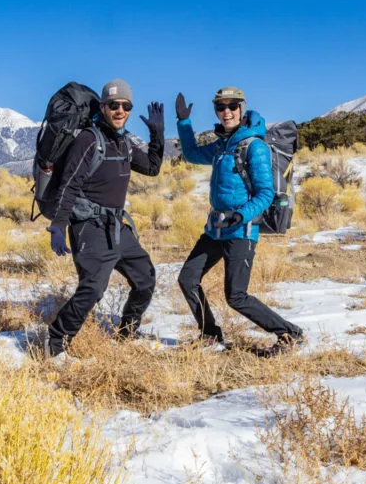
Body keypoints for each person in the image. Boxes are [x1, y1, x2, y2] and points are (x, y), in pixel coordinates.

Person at [175, 86, 304, 356]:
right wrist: (184, 123)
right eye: (220, 107)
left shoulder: (254, 147)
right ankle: (210, 335)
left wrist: (241, 214)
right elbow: (190, 154)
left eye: (232, 106)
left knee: (236, 296)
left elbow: (265, 193)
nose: (226, 112)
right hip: (215, 229)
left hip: (241, 231)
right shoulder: (222, 146)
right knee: (188, 279)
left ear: (242, 109)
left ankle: (290, 333)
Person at [45, 79, 165, 360]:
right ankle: (56, 343)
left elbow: (153, 168)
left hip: (116, 226)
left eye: (126, 106)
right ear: (103, 106)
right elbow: (69, 184)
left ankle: (126, 334)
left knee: (145, 278)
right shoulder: (89, 140)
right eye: (114, 105)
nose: (120, 110)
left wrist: (158, 135)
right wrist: (59, 226)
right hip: (90, 226)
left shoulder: (124, 141)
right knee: (94, 289)